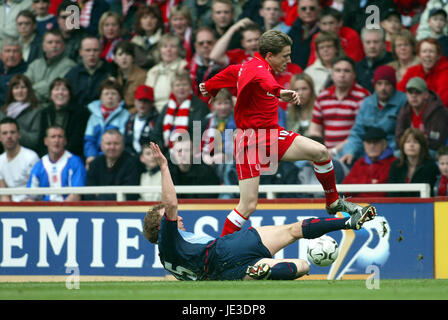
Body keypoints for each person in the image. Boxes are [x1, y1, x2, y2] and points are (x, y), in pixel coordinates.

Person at [201, 30, 376, 237]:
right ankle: (221, 248)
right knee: (249, 204)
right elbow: (266, 82)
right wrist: (280, 92)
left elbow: (230, 72)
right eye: (285, 55)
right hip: (257, 139)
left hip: (260, 138)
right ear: (269, 56)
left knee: (319, 154)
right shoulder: (260, 70)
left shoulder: (247, 67)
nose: (289, 60)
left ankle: (332, 201)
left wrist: (210, 86)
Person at [142, 141, 376, 281]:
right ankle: (347, 223)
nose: (177, 218)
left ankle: (258, 270)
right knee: (294, 230)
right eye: (169, 218)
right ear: (160, 228)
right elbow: (172, 204)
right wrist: (164, 166)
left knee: (302, 266)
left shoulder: (168, 261)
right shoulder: (168, 238)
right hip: (224, 250)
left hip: (222, 275)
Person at [339, 65, 407, 166]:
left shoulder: (403, 101)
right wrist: (350, 151)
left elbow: (402, 135)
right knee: (342, 158)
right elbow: (357, 132)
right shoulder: (367, 103)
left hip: (391, 151)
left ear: (393, 85)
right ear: (374, 85)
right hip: (366, 151)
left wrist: (381, 152)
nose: (383, 88)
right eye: (379, 84)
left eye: (387, 84)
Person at [308, 56, 370, 156]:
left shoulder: (363, 97)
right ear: (331, 75)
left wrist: (333, 151)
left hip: (351, 152)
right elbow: (315, 129)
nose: (342, 74)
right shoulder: (322, 97)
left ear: (354, 74)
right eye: (338, 70)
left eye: (346, 71)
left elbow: (359, 132)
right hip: (325, 152)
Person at [26, 125, 86, 201]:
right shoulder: (39, 165)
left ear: (65, 141)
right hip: (44, 210)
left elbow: (76, 195)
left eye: (60, 137)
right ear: (46, 141)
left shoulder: (75, 162)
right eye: (53, 137)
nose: (56, 140)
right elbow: (31, 196)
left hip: (68, 210)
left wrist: (58, 211)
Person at [155, 71, 210, 152]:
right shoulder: (167, 107)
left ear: (190, 87)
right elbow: (156, 132)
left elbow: (198, 134)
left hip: (190, 152)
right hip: (167, 151)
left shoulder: (200, 107)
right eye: (177, 85)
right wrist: (160, 148)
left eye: (184, 84)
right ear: (172, 88)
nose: (181, 88)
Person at [37, 78, 90, 158]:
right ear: (51, 94)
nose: (60, 93)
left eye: (64, 90)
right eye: (56, 89)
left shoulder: (81, 113)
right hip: (48, 156)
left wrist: (59, 156)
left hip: (72, 156)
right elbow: (41, 140)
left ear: (70, 94)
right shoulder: (45, 112)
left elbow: (77, 141)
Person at [84, 78, 130, 169]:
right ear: (100, 97)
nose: (110, 97)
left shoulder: (126, 115)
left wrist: (103, 159)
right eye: (106, 93)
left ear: (119, 97)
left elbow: (122, 142)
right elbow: (89, 140)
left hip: (116, 158)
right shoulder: (93, 116)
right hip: (95, 158)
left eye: (113, 93)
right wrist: (91, 156)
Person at [85, 128, 142, 201]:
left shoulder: (132, 163)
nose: (112, 147)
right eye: (108, 143)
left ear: (123, 145)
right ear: (101, 146)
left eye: (116, 143)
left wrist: (99, 196)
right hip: (96, 210)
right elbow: (88, 194)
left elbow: (130, 195)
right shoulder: (95, 164)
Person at [395, 77, 448, 153]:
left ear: (426, 95)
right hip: (411, 149)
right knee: (396, 154)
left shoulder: (438, 111)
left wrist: (411, 141)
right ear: (406, 94)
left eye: (418, 92)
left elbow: (437, 143)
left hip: (432, 151)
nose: (414, 96)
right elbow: (398, 138)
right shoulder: (404, 111)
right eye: (410, 92)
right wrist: (422, 139)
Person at [342, 126, 397, 198]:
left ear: (384, 144)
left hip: (384, 206)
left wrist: (358, 185)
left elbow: (381, 193)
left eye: (376, 142)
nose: (372, 146)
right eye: (368, 142)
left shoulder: (394, 163)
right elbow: (346, 189)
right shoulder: (359, 162)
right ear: (364, 145)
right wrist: (370, 182)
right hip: (358, 206)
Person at [24, 29, 76, 103]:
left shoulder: (70, 66)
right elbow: (23, 85)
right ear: (43, 46)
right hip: (31, 105)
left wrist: (32, 87)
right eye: (50, 42)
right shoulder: (35, 64)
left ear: (64, 46)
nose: (54, 45)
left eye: (57, 42)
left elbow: (51, 89)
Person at [388, 127, 440, 197]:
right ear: (403, 146)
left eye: (415, 142)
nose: (411, 145)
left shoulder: (430, 167)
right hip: (398, 206)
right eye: (408, 142)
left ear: (422, 146)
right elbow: (392, 193)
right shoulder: (395, 166)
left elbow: (430, 194)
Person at [397, 38, 448, 107]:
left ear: (438, 56)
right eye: (424, 51)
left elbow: (442, 101)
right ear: (419, 56)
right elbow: (399, 92)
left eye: (431, 51)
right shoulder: (413, 71)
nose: (427, 55)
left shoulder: (445, 72)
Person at [64, 35, 113, 108]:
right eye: (88, 50)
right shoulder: (73, 74)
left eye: (95, 50)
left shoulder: (111, 71)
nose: (92, 54)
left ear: (101, 51)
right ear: (80, 52)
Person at [145, 33, 188, 113]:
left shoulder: (184, 67)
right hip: (154, 112)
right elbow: (147, 96)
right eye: (165, 46)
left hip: (178, 110)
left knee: (197, 124)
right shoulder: (153, 71)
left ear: (179, 50)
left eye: (173, 46)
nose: (169, 50)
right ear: (159, 50)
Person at [0, 117, 39, 202]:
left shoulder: (31, 157)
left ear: (19, 135)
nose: (9, 136)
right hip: (9, 206)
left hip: (30, 204)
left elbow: (33, 192)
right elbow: (3, 194)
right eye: (4, 133)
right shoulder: (0, 160)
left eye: (12, 132)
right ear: (0, 137)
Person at [0, 74, 42, 152]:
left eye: (23, 87)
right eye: (16, 88)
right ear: (11, 91)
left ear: (29, 90)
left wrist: (13, 128)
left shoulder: (37, 111)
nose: (20, 91)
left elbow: (34, 140)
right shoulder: (3, 111)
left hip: (26, 154)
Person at [124, 85, 160, 156]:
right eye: (140, 100)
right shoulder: (130, 119)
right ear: (135, 101)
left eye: (146, 101)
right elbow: (126, 142)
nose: (142, 103)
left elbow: (157, 143)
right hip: (131, 157)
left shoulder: (157, 120)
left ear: (152, 103)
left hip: (150, 157)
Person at [112, 41, 147, 113]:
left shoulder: (143, 76)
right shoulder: (114, 75)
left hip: (135, 113)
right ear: (115, 59)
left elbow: (144, 102)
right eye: (120, 54)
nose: (124, 57)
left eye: (127, 54)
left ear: (133, 58)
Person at [355, 27, 393, 93]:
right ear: (362, 44)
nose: (372, 46)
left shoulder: (394, 63)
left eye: (376, 42)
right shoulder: (357, 67)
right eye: (368, 42)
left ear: (384, 44)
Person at [304, 31, 343, 95]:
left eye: (329, 46)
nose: (325, 50)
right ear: (317, 52)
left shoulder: (345, 68)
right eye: (321, 47)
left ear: (336, 49)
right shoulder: (309, 72)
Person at [189, 26, 222, 100]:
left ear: (216, 43)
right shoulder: (187, 68)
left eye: (209, 42)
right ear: (196, 46)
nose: (205, 46)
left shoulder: (225, 67)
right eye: (201, 43)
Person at [288, 0, 321, 69]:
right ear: (298, 11)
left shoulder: (325, 30)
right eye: (303, 9)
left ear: (319, 9)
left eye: (312, 8)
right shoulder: (291, 32)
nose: (308, 11)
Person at [130, 4, 164, 70]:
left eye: (152, 17)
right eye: (145, 17)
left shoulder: (163, 40)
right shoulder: (134, 42)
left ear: (157, 21)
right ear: (140, 21)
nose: (149, 21)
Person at [0, 38, 28, 106]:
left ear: (21, 55)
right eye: (7, 51)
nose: (11, 55)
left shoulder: (27, 71)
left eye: (15, 51)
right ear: (1, 55)